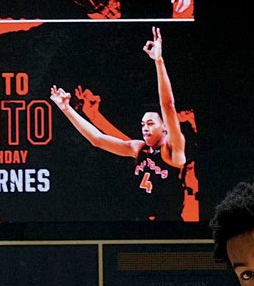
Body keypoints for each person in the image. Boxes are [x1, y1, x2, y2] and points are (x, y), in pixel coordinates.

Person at [51, 27, 192, 222]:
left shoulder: (173, 152)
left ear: (165, 128)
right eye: (143, 123)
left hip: (169, 223)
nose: (145, 127)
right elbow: (97, 139)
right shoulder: (139, 149)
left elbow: (168, 106)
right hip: (139, 221)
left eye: (150, 123)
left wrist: (158, 61)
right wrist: (66, 109)